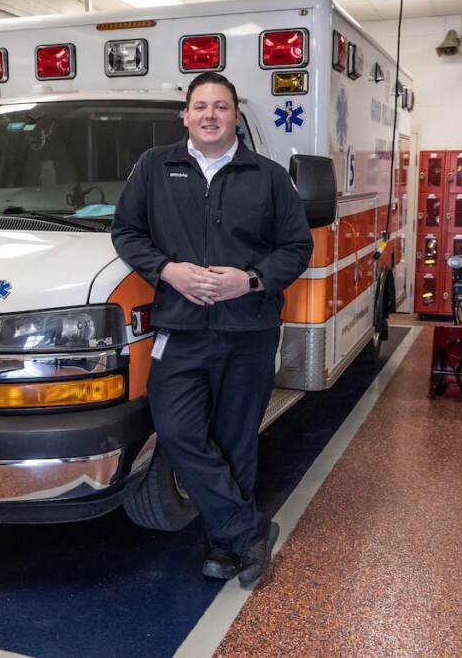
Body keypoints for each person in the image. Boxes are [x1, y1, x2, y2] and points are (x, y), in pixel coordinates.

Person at [111, 72, 313, 588]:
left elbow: (296, 247)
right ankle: (248, 532)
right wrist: (167, 270)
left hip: (248, 330)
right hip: (178, 328)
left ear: (235, 116)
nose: (209, 115)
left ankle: (226, 549)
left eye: (220, 107)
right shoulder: (156, 167)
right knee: (176, 431)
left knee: (235, 440)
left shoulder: (268, 176)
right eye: (200, 106)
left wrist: (249, 281)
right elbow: (126, 232)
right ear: (185, 115)